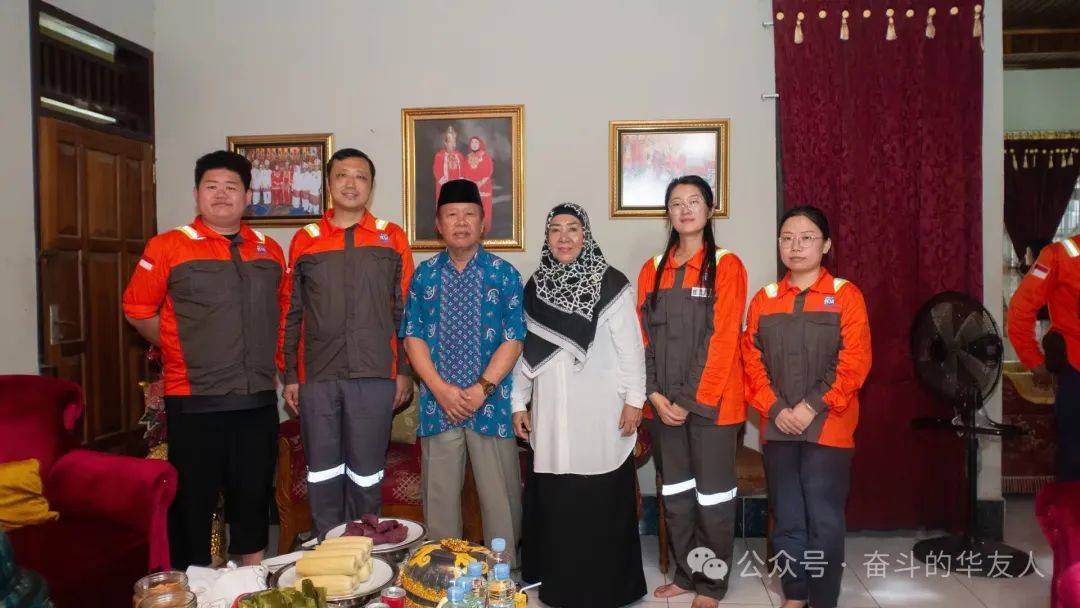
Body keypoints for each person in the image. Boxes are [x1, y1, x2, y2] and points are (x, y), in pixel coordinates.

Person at [122, 150, 286, 569]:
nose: (221, 194)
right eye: (212, 186)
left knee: (253, 494)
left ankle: (249, 582)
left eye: (231, 187)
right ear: (197, 194)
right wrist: (178, 346)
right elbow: (137, 309)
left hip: (256, 397)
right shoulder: (168, 246)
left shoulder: (269, 250)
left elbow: (282, 313)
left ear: (247, 196)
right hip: (195, 398)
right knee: (193, 501)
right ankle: (193, 585)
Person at [512, 202, 647, 608]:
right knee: (559, 500)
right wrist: (519, 401)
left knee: (599, 497)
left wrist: (635, 401)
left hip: (602, 411)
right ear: (547, 238)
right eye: (556, 229)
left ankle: (609, 590)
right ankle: (561, 588)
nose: (565, 237)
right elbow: (524, 351)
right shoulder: (536, 287)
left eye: (573, 229)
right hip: (552, 412)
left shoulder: (611, 284)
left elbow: (631, 350)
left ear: (585, 235)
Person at [741, 205, 872, 608]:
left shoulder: (846, 296)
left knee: (824, 520)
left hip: (829, 425)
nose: (795, 246)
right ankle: (795, 594)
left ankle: (823, 598)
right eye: (787, 238)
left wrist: (811, 406)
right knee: (787, 518)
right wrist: (776, 408)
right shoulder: (764, 300)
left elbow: (854, 362)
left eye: (807, 238)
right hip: (777, 426)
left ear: (826, 245)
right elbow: (751, 361)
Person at [280, 148, 415, 537]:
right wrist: (290, 375)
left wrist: (404, 371)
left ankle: (366, 550)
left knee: (367, 473)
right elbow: (290, 310)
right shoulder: (305, 240)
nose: (351, 183)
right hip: (317, 376)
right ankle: (328, 547)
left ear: (371, 186)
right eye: (342, 175)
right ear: (328, 183)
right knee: (322, 472)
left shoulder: (392, 237)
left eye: (360, 176)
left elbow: (406, 311)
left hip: (375, 374)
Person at [636, 175, 747, 608]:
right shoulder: (653, 269)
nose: (685, 209)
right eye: (676, 203)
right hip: (663, 406)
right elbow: (642, 338)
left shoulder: (726, 265)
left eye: (694, 201)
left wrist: (685, 401)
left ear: (710, 209)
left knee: (713, 499)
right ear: (668, 213)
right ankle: (687, 574)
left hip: (711, 408)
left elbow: (722, 340)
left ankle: (711, 584)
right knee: (676, 496)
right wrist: (653, 394)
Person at [401, 179, 526, 557]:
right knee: (439, 500)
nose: (460, 222)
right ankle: (442, 573)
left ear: (482, 222)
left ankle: (505, 571)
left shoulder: (504, 274)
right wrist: (440, 390)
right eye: (451, 215)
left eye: (469, 214)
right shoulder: (424, 275)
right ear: (438, 225)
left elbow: (514, 338)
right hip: (438, 404)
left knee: (501, 498)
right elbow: (412, 336)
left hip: (491, 402)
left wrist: (481, 388)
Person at [1008, 232, 1080, 481]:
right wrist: (1034, 360)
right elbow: (1020, 309)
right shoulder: (1060, 256)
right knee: (1074, 458)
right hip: (1075, 373)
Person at [462, 136, 494, 233]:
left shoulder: (486, 156)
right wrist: (472, 184)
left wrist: (480, 183)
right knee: (472, 209)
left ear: (480, 144)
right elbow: (464, 172)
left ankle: (484, 229)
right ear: (470, 145)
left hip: (484, 186)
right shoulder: (467, 158)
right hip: (471, 188)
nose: (474, 144)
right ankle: (472, 230)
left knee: (484, 208)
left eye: (476, 142)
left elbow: (489, 171)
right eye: (472, 143)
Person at [433, 125, 465, 203]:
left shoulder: (460, 156)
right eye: (450, 142)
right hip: (444, 187)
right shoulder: (439, 156)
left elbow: (463, 172)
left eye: (454, 142)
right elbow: (437, 172)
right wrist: (447, 185)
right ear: (445, 143)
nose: (453, 144)